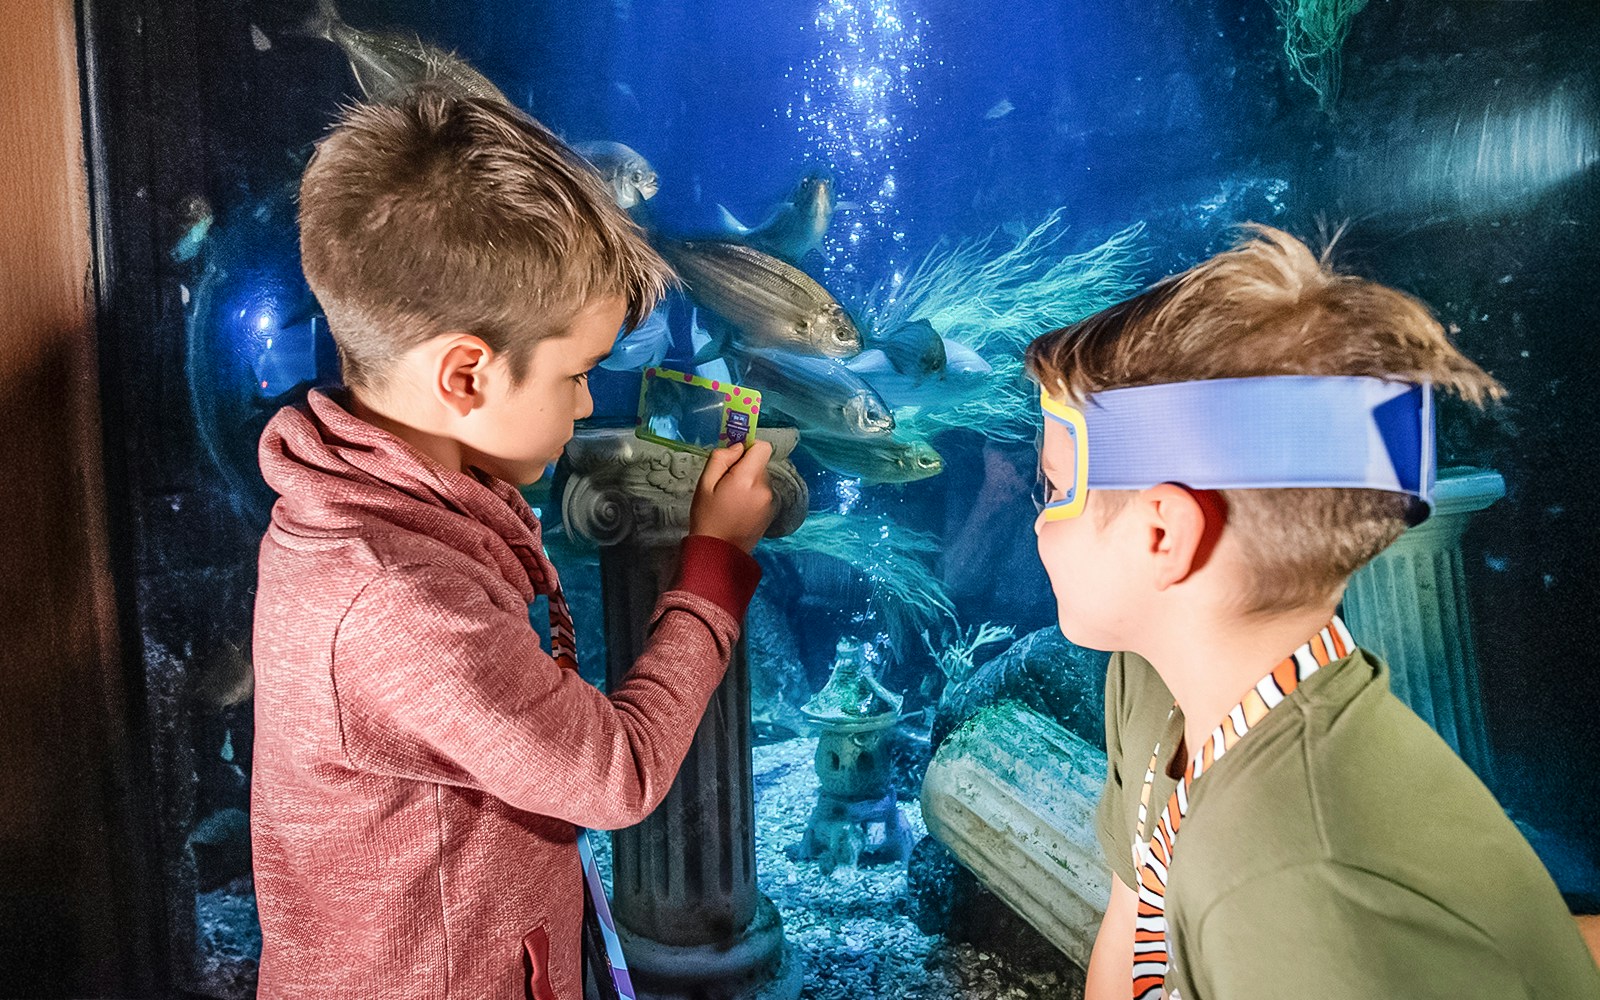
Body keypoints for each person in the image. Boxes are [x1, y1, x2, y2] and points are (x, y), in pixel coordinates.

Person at [250, 90, 776, 1000]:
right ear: (464, 373)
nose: (583, 404)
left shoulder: (357, 501)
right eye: (575, 374)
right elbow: (618, 774)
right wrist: (714, 568)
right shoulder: (396, 600)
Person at [1024, 226, 1600, 1000]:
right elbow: (1132, 938)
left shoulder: (1302, 888)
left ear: (1163, 535)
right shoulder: (1153, 688)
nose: (1037, 521)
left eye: (1057, 490)